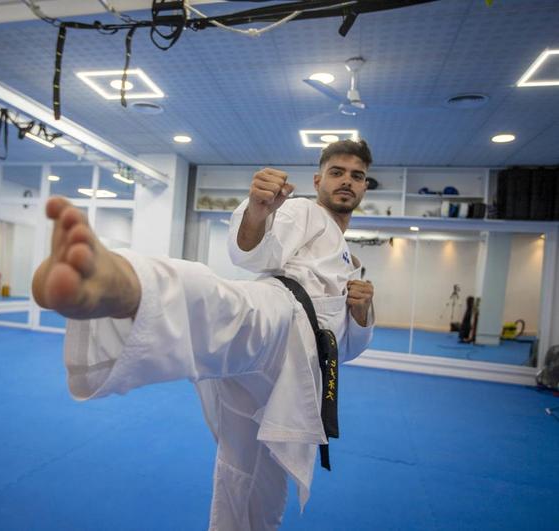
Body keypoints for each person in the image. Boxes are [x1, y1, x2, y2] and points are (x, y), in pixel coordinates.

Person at [32, 139, 376, 530]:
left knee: (254, 474)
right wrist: (259, 212)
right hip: (283, 317)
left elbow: (344, 349)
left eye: (357, 176)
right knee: (230, 308)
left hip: (301, 375)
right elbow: (254, 252)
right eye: (337, 172)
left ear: (365, 186)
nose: (347, 181)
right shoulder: (304, 213)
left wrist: (362, 315)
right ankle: (120, 285)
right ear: (318, 180)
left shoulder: (350, 261)